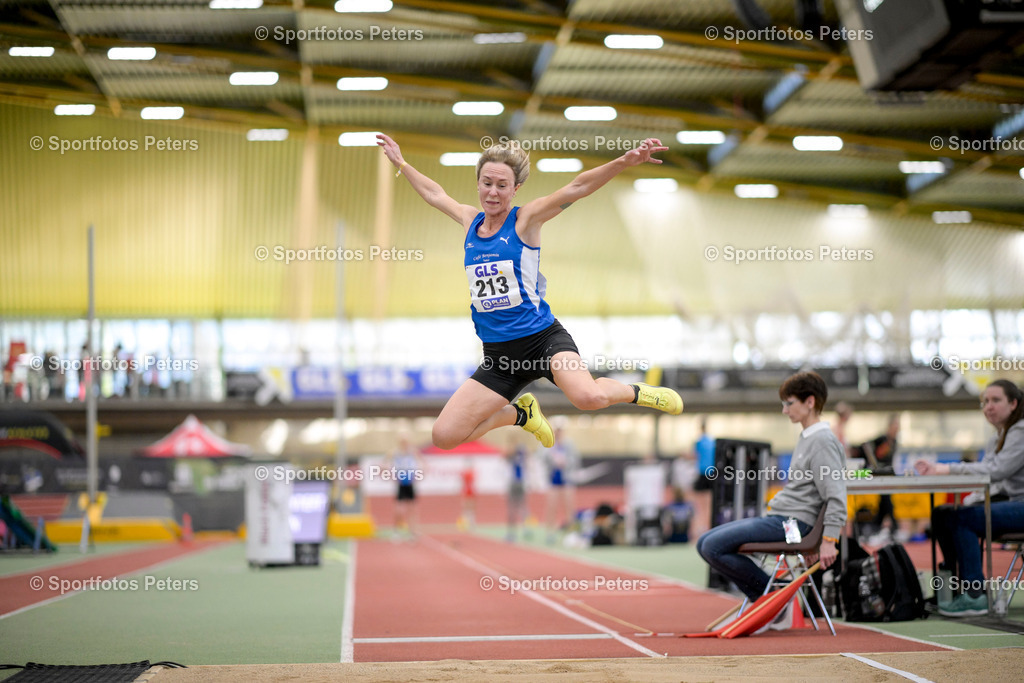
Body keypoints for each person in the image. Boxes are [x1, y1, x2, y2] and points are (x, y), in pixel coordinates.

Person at [375, 133, 683, 452]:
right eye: (487, 183)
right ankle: (520, 414)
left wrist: (624, 161)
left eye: (502, 185)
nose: (492, 192)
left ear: (515, 188)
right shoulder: (469, 221)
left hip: (543, 340)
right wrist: (401, 163)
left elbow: (576, 188)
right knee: (445, 435)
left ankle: (638, 392)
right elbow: (434, 193)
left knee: (589, 397)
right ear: (478, 183)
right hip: (500, 357)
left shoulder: (526, 221)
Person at [696, 371, 847, 624]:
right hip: (786, 521)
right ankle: (771, 600)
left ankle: (774, 602)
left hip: (794, 524)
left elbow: (836, 494)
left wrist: (828, 539)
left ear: (810, 402)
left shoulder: (821, 441)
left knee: (711, 546)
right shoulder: (808, 437)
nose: (784, 410)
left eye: (789, 403)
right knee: (704, 543)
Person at [914, 379, 1024, 617]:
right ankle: (952, 589)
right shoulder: (997, 438)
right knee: (943, 514)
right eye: (985, 401)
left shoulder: (1021, 431)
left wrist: (948, 468)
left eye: (996, 400)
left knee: (964, 519)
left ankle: (975, 594)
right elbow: (989, 481)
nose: (988, 407)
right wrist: (967, 500)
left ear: (1014, 403)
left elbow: (996, 473)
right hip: (1013, 501)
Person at [541, 426, 578, 544]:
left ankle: (571, 532)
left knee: (569, 506)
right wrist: (552, 460)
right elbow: (542, 458)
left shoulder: (569, 444)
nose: (558, 433)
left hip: (566, 479)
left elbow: (575, 459)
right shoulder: (548, 444)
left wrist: (566, 462)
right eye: (556, 430)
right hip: (553, 480)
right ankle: (549, 532)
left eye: (560, 430)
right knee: (551, 506)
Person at [387, 437, 423, 539]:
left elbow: (421, 462)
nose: (405, 444)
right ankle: (396, 530)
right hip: (401, 483)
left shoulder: (412, 452)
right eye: (403, 442)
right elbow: (385, 463)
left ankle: (413, 530)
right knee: (399, 509)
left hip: (410, 482)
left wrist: (419, 472)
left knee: (412, 508)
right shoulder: (395, 453)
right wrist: (391, 474)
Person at [505, 439, 530, 541]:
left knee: (516, 507)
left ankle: (516, 531)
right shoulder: (517, 454)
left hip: (517, 482)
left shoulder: (517, 454)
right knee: (519, 507)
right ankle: (520, 530)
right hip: (517, 482)